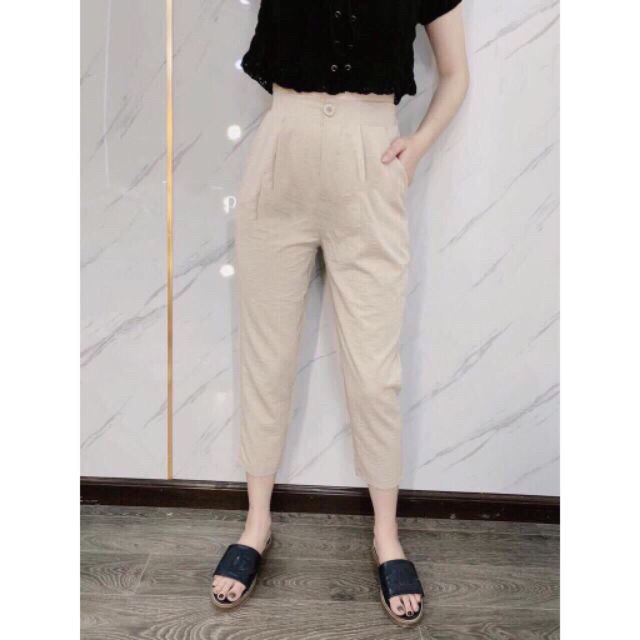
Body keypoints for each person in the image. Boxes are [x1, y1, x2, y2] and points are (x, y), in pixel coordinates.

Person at [211, 0, 468, 627]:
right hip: (282, 152)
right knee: (266, 355)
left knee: (375, 371)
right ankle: (256, 523)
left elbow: (456, 72)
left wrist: (415, 150)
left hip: (369, 161)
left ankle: (387, 535)